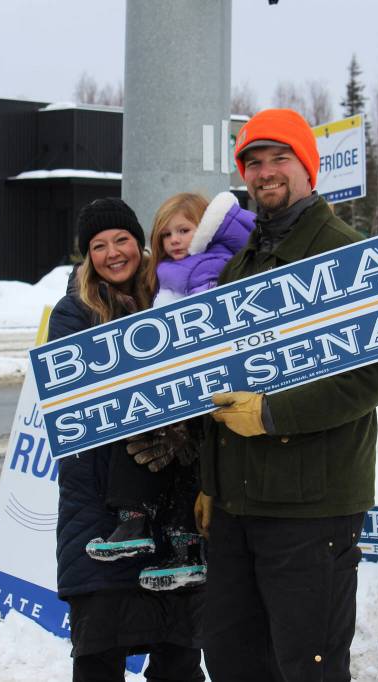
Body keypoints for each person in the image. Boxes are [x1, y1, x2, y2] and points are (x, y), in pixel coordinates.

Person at [196, 109, 378, 682]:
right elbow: (217, 379)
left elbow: (373, 375)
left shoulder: (346, 253)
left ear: (308, 166)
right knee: (233, 659)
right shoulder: (241, 266)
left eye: (279, 158)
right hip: (237, 510)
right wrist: (210, 484)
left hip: (311, 511)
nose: (265, 172)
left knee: (306, 665)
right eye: (253, 163)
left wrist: (271, 412)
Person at [49, 197, 205, 682]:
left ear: (140, 243)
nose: (113, 253)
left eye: (121, 240)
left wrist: (182, 434)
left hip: (171, 509)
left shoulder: (170, 293)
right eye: (98, 245)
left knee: (178, 654)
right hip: (98, 508)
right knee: (99, 656)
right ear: (86, 255)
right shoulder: (73, 313)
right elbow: (78, 403)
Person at [85, 191, 255, 591]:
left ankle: (180, 543)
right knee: (144, 429)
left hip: (207, 385)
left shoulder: (212, 267)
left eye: (184, 230)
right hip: (173, 387)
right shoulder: (162, 276)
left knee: (189, 452)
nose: (175, 240)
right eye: (166, 235)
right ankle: (139, 523)